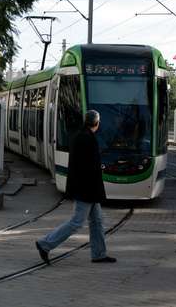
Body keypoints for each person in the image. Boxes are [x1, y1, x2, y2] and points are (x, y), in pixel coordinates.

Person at [35, 110, 117, 264]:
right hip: (87, 189)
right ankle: (45, 244)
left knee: (97, 221)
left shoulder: (80, 135)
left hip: (86, 189)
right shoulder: (88, 139)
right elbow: (88, 167)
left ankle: (99, 254)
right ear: (97, 124)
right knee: (77, 222)